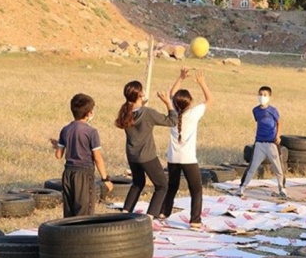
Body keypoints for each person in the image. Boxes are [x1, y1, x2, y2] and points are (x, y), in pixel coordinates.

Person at [159, 67, 214, 230]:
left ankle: (164, 212)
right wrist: (202, 83)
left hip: (172, 158)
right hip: (188, 159)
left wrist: (181, 77)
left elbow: (171, 95)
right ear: (189, 103)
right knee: (196, 190)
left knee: (172, 186)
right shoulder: (193, 113)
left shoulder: (173, 112)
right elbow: (210, 100)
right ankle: (195, 220)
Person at [115, 81, 178, 218]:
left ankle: (125, 212)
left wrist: (141, 104)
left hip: (132, 155)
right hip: (147, 156)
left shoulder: (125, 112)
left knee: (138, 183)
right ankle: (150, 216)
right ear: (141, 94)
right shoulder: (148, 113)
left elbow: (136, 114)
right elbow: (172, 121)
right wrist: (168, 103)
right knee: (162, 185)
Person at [52, 93, 113, 217]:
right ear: (89, 113)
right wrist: (105, 179)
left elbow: (58, 155)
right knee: (84, 212)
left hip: (68, 173)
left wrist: (57, 145)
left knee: (69, 211)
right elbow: (97, 158)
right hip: (84, 173)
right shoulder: (91, 132)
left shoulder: (65, 129)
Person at [236, 86, 287, 199]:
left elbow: (279, 122)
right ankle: (242, 187)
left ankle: (282, 189)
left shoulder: (273, 110)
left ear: (269, 96)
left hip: (271, 143)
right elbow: (258, 121)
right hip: (259, 143)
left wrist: (278, 135)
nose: (262, 97)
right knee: (252, 167)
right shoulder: (255, 110)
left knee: (278, 168)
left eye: (265, 95)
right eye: (260, 94)